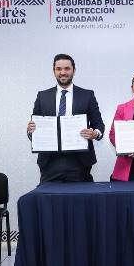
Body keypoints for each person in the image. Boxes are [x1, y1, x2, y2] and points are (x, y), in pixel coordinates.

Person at [27, 54, 105, 182]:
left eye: (67, 68)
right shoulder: (42, 96)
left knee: (81, 195)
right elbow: (34, 129)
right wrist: (31, 131)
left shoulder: (87, 95)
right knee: (49, 195)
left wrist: (95, 133)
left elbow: (99, 124)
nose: (63, 72)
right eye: (59, 69)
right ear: (54, 71)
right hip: (50, 162)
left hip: (80, 162)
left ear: (74, 70)